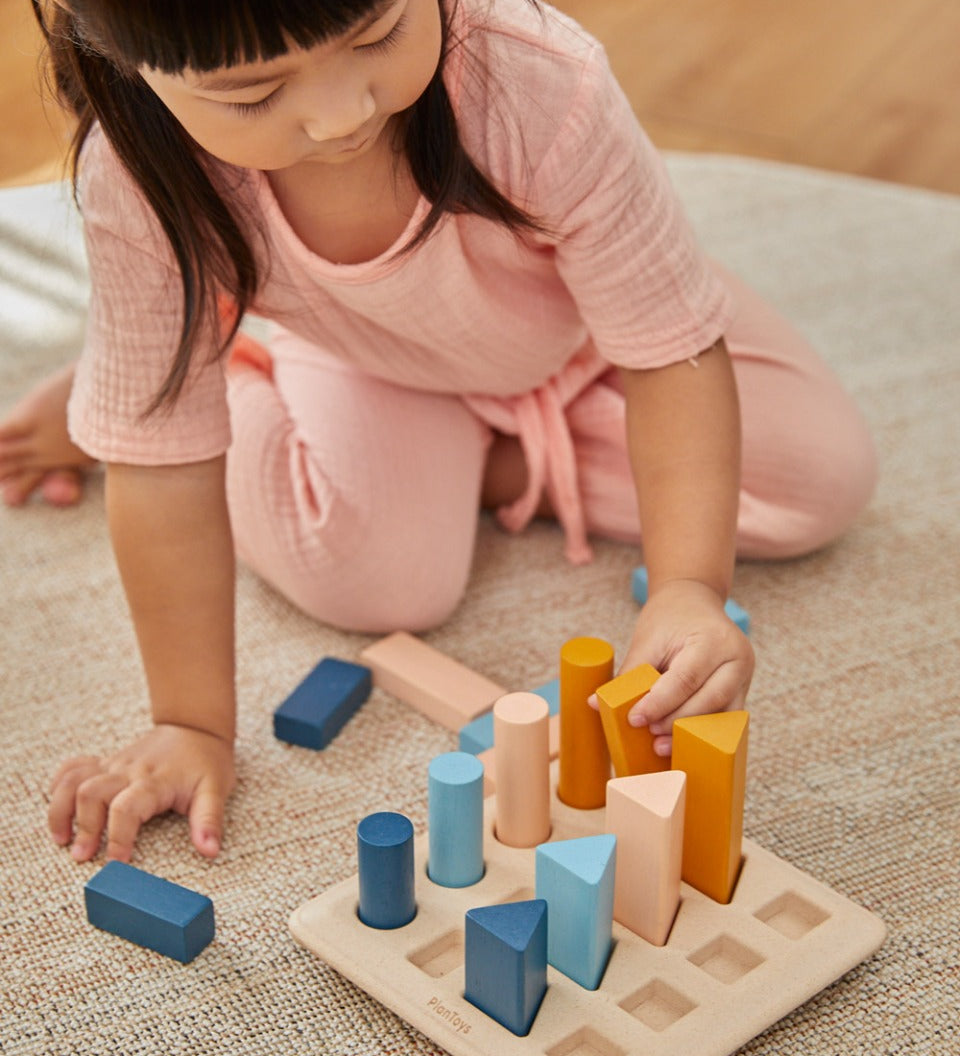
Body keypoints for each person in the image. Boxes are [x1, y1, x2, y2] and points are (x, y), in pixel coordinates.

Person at [0, 0, 876, 864]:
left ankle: (478, 459)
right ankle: (184, 373)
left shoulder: (538, 77)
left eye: (378, 34)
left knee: (820, 482)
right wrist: (189, 722)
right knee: (375, 583)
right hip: (369, 361)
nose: (342, 113)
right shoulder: (134, 179)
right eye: (253, 93)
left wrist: (689, 586)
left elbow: (668, 347)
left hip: (587, 332)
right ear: (125, 62)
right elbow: (167, 472)